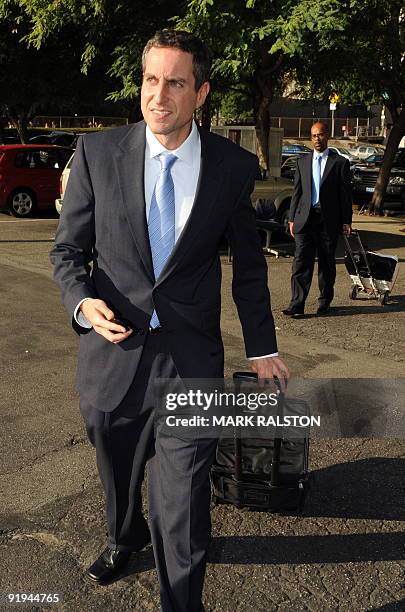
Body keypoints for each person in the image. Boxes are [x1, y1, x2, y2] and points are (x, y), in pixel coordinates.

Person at [50, 30, 289, 612]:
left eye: (175, 82)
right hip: (113, 357)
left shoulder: (233, 167)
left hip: (191, 362)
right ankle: (122, 536)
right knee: (118, 473)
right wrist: (82, 304)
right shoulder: (98, 153)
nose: (159, 95)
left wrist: (261, 347)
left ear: (200, 93)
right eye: (150, 80)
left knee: (181, 499)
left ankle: (182, 602)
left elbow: (250, 269)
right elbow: (67, 252)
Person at [282, 122, 352, 317]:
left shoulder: (339, 163)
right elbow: (297, 192)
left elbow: (345, 195)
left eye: (320, 135)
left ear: (326, 136)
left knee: (326, 263)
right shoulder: (303, 162)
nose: (317, 139)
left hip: (328, 221)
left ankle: (324, 302)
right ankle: (297, 304)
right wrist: (291, 217)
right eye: (313, 136)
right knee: (300, 261)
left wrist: (347, 220)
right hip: (305, 219)